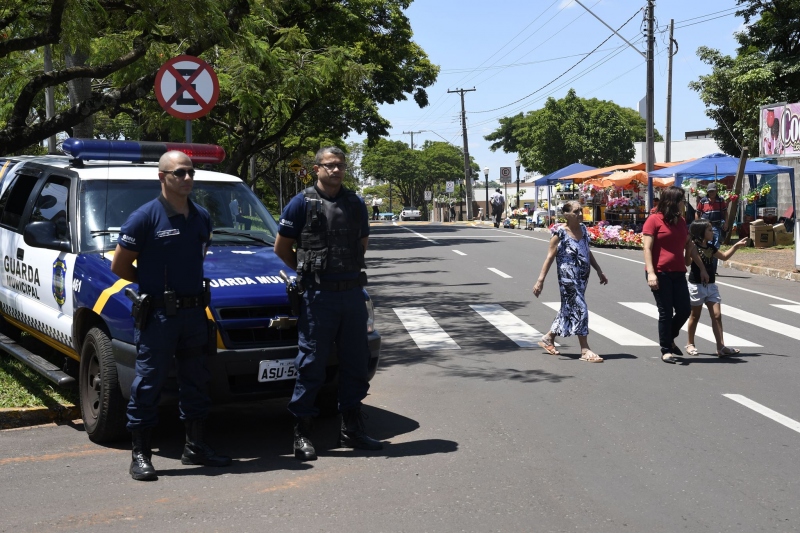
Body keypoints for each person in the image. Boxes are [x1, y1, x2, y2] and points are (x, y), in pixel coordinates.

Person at [111, 151, 231, 481]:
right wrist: (150, 283)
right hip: (160, 316)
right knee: (149, 382)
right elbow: (119, 266)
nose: (188, 178)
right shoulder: (144, 218)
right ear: (162, 177)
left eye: (191, 172)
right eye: (180, 173)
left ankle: (195, 447)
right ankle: (141, 454)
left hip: (194, 313)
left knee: (196, 380)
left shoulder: (201, 216)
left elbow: (198, 256)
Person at [274, 146, 382, 461]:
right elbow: (282, 248)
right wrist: (308, 271)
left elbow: (361, 244)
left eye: (340, 166)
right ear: (316, 168)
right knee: (311, 365)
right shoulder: (301, 203)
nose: (335, 171)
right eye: (329, 165)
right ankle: (302, 434)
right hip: (318, 296)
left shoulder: (355, 203)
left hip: (351, 295)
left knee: (355, 362)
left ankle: (352, 428)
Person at [532, 200, 608, 363]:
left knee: (568, 308)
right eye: (576, 211)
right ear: (566, 215)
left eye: (581, 210)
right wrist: (540, 280)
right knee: (580, 307)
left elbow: (587, 251)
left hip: (582, 277)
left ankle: (548, 338)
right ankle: (585, 349)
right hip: (568, 278)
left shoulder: (583, 230)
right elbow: (550, 257)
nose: (580, 214)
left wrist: (599, 270)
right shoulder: (560, 233)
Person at [643, 186, 709, 364]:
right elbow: (647, 247)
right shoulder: (653, 220)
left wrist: (702, 268)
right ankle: (666, 349)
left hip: (679, 271)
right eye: (681, 201)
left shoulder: (680, 222)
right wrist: (651, 272)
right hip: (660, 272)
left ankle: (669, 338)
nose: (684, 204)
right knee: (665, 312)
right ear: (673, 202)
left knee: (684, 309)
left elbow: (690, 246)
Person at [684, 220, 748, 357]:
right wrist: (688, 250)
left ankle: (721, 346)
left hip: (711, 286)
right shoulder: (693, 246)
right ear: (701, 232)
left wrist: (735, 246)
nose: (712, 232)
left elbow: (724, 257)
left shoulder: (711, 247)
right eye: (709, 230)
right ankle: (690, 344)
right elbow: (687, 263)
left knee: (717, 315)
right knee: (695, 316)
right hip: (697, 286)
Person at [695, 182, 727, 249]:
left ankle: (714, 259)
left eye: (713, 191)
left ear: (716, 191)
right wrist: (697, 225)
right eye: (710, 192)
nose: (711, 193)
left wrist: (726, 223)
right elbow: (697, 213)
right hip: (705, 227)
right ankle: (708, 258)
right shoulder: (703, 201)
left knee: (716, 244)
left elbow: (725, 212)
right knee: (707, 244)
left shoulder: (721, 200)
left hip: (717, 226)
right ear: (707, 192)